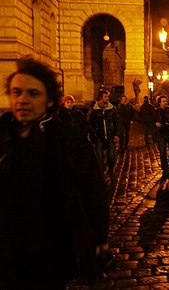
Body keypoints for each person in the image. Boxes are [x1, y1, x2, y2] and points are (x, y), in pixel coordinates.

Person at [0, 56, 109, 289]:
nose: (22, 100)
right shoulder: (2, 135)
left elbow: (93, 190)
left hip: (51, 250)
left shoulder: (69, 139)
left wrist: (99, 238)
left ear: (50, 101)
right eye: (16, 92)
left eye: (33, 93)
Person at [89, 88, 121, 178]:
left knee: (111, 156)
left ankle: (111, 169)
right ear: (100, 97)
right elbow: (90, 124)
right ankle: (101, 173)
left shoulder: (112, 109)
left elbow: (117, 122)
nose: (107, 98)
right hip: (99, 136)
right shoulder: (94, 110)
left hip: (110, 135)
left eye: (108, 96)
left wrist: (116, 134)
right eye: (105, 96)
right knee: (99, 157)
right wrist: (93, 136)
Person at [154, 95, 169, 179]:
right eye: (163, 101)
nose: (165, 103)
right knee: (163, 153)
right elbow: (151, 121)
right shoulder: (156, 111)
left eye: (166, 101)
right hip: (161, 134)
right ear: (159, 103)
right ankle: (165, 170)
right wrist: (155, 124)